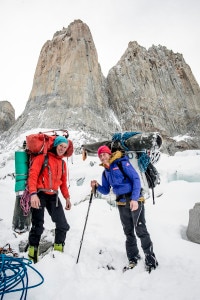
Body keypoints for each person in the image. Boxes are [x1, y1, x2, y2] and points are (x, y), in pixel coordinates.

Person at [91, 145, 158, 272]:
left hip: (135, 200)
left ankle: (150, 258)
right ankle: (133, 257)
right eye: (100, 155)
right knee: (128, 232)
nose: (102, 157)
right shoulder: (105, 172)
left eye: (104, 154)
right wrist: (96, 185)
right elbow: (105, 190)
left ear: (109, 154)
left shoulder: (122, 163)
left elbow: (136, 179)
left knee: (140, 230)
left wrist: (134, 199)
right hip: (121, 203)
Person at [27, 136, 71, 263]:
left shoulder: (62, 163)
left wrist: (67, 198)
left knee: (63, 225)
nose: (62, 149)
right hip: (39, 194)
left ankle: (58, 252)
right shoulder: (42, 157)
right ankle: (32, 253)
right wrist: (33, 194)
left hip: (54, 196)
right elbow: (33, 175)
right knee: (38, 225)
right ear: (55, 145)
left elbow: (63, 183)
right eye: (60, 146)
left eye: (64, 147)